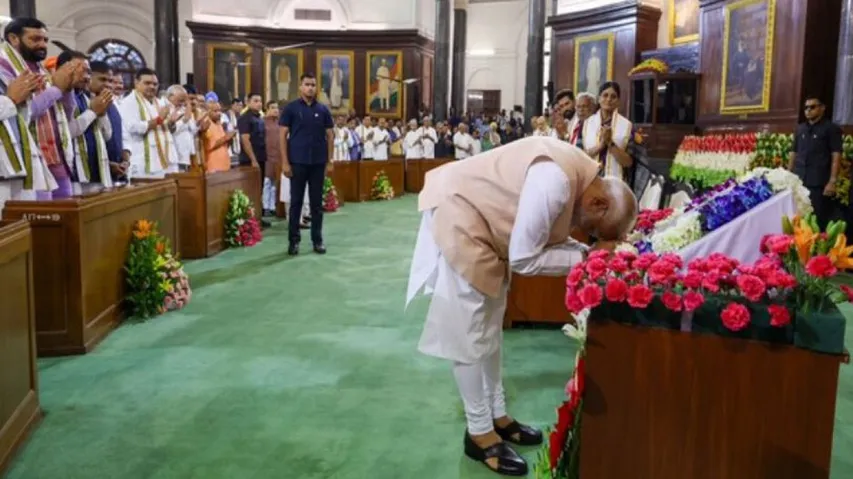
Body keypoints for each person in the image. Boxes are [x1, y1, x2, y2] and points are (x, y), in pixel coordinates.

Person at [406, 135, 637, 476]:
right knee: (469, 334)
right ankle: (479, 433)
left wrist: (586, 252)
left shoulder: (578, 174)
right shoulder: (556, 182)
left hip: (485, 226)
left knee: (490, 326)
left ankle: (498, 415)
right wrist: (587, 256)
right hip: (460, 214)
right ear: (599, 204)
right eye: (593, 230)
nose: (581, 231)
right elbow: (525, 258)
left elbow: (543, 239)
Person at [280, 73, 334, 255]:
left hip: (318, 163)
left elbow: (330, 136)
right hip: (297, 162)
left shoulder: (323, 109)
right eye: (307, 84)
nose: (310, 87)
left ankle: (317, 240)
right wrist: (285, 163)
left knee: (317, 204)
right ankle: (293, 241)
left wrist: (330, 160)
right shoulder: (291, 109)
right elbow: (282, 136)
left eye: (313, 84)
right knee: (296, 203)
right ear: (300, 87)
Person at [788, 95, 843, 229]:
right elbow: (793, 152)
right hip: (799, 180)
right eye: (806, 108)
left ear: (822, 108)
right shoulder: (800, 128)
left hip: (818, 183)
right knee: (798, 216)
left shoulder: (831, 128)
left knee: (817, 219)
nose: (808, 110)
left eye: (812, 107)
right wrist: (788, 175)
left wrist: (832, 181)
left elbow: (836, 154)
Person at [582, 82, 633, 180]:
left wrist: (610, 143)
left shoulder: (627, 126)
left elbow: (628, 163)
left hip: (616, 182)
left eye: (613, 97)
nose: (609, 99)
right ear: (599, 98)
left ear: (618, 101)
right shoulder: (586, 124)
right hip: (590, 179)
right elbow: (580, 155)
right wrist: (600, 146)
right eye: (605, 95)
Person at [237, 93, 271, 228]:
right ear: (248, 102)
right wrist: (253, 159)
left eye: (260, 101)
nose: (259, 103)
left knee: (259, 189)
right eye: (255, 101)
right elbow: (245, 140)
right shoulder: (245, 118)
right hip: (250, 160)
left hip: (261, 157)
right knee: (250, 190)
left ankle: (258, 217)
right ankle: (249, 221)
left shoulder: (260, 118)